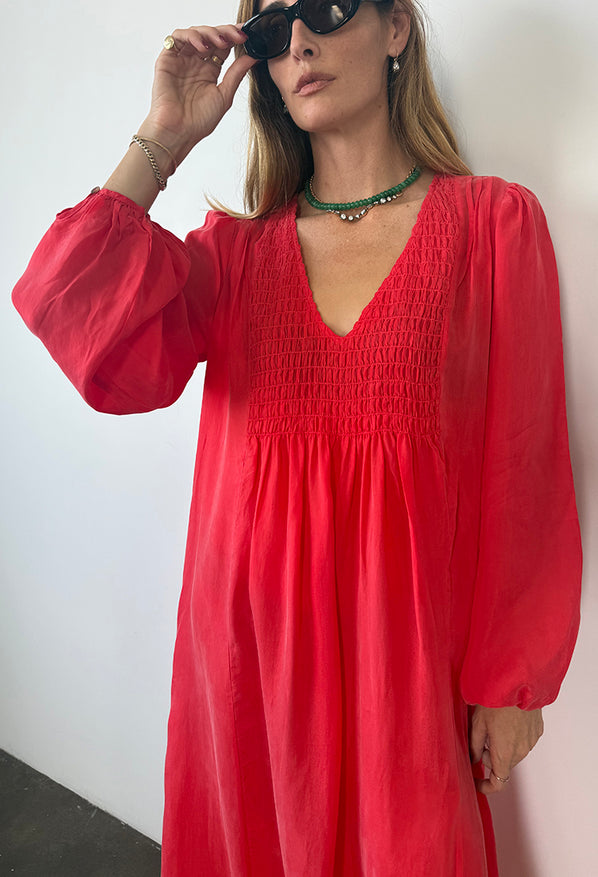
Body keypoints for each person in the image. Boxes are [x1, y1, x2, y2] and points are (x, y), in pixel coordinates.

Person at [12, 0, 582, 874]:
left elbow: (526, 468)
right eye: (274, 30)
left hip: (407, 677)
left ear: (398, 28)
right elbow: (74, 313)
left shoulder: (495, 229)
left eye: (326, 8)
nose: (301, 42)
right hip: (246, 679)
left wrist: (510, 680)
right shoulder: (233, 260)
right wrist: (163, 137)